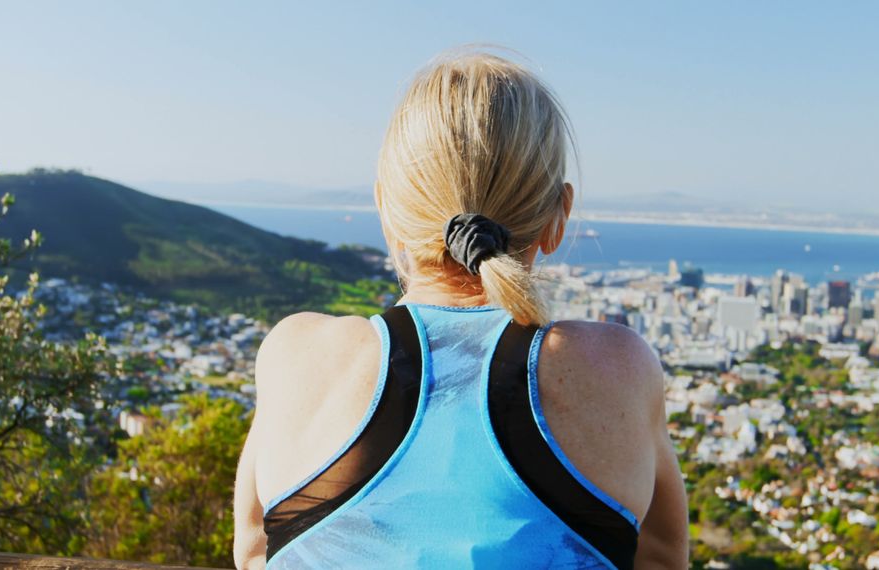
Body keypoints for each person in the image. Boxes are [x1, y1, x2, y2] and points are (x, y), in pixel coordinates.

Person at [233, 46, 689, 569]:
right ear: (559, 217)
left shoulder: (297, 355)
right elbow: (660, 557)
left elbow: (253, 553)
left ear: (388, 211)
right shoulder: (618, 367)